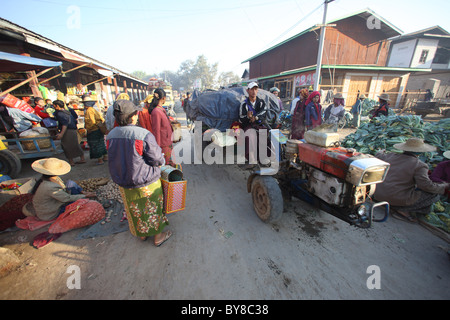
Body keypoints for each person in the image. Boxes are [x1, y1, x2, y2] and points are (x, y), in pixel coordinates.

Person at [106, 99, 172, 246]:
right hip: (146, 181)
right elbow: (156, 158)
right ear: (133, 116)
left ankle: (142, 235)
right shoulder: (143, 134)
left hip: (124, 182)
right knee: (153, 208)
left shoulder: (110, 135)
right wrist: (161, 161)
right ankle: (158, 237)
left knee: (135, 208)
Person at [374, 138, 450, 222]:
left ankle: (391, 204)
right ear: (420, 152)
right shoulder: (420, 165)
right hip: (395, 197)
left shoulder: (389, 156)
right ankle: (401, 209)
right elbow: (426, 186)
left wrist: (381, 151)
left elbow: (378, 155)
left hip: (378, 194)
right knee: (434, 195)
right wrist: (445, 186)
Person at [27, 158, 96, 221]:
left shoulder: (51, 179)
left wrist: (82, 192)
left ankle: (82, 195)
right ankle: (84, 198)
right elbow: (67, 198)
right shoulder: (49, 186)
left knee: (70, 183)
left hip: (55, 201)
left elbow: (64, 188)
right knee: (82, 203)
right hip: (51, 213)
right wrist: (85, 196)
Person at [52, 100, 86, 166]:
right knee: (75, 144)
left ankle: (71, 161)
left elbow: (64, 124)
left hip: (67, 131)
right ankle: (82, 158)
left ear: (57, 106)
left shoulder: (59, 113)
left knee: (66, 146)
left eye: (54, 105)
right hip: (73, 130)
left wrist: (61, 134)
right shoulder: (67, 112)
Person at [150, 88, 175, 166]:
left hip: (167, 143)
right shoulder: (156, 112)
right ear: (163, 98)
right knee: (167, 167)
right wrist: (157, 149)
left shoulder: (161, 110)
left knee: (172, 165)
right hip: (163, 145)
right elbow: (156, 131)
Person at [83, 95, 108, 165]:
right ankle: (105, 156)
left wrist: (89, 129)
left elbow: (91, 122)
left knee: (95, 144)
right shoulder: (94, 110)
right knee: (101, 143)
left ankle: (100, 160)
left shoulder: (89, 111)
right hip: (98, 129)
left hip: (94, 130)